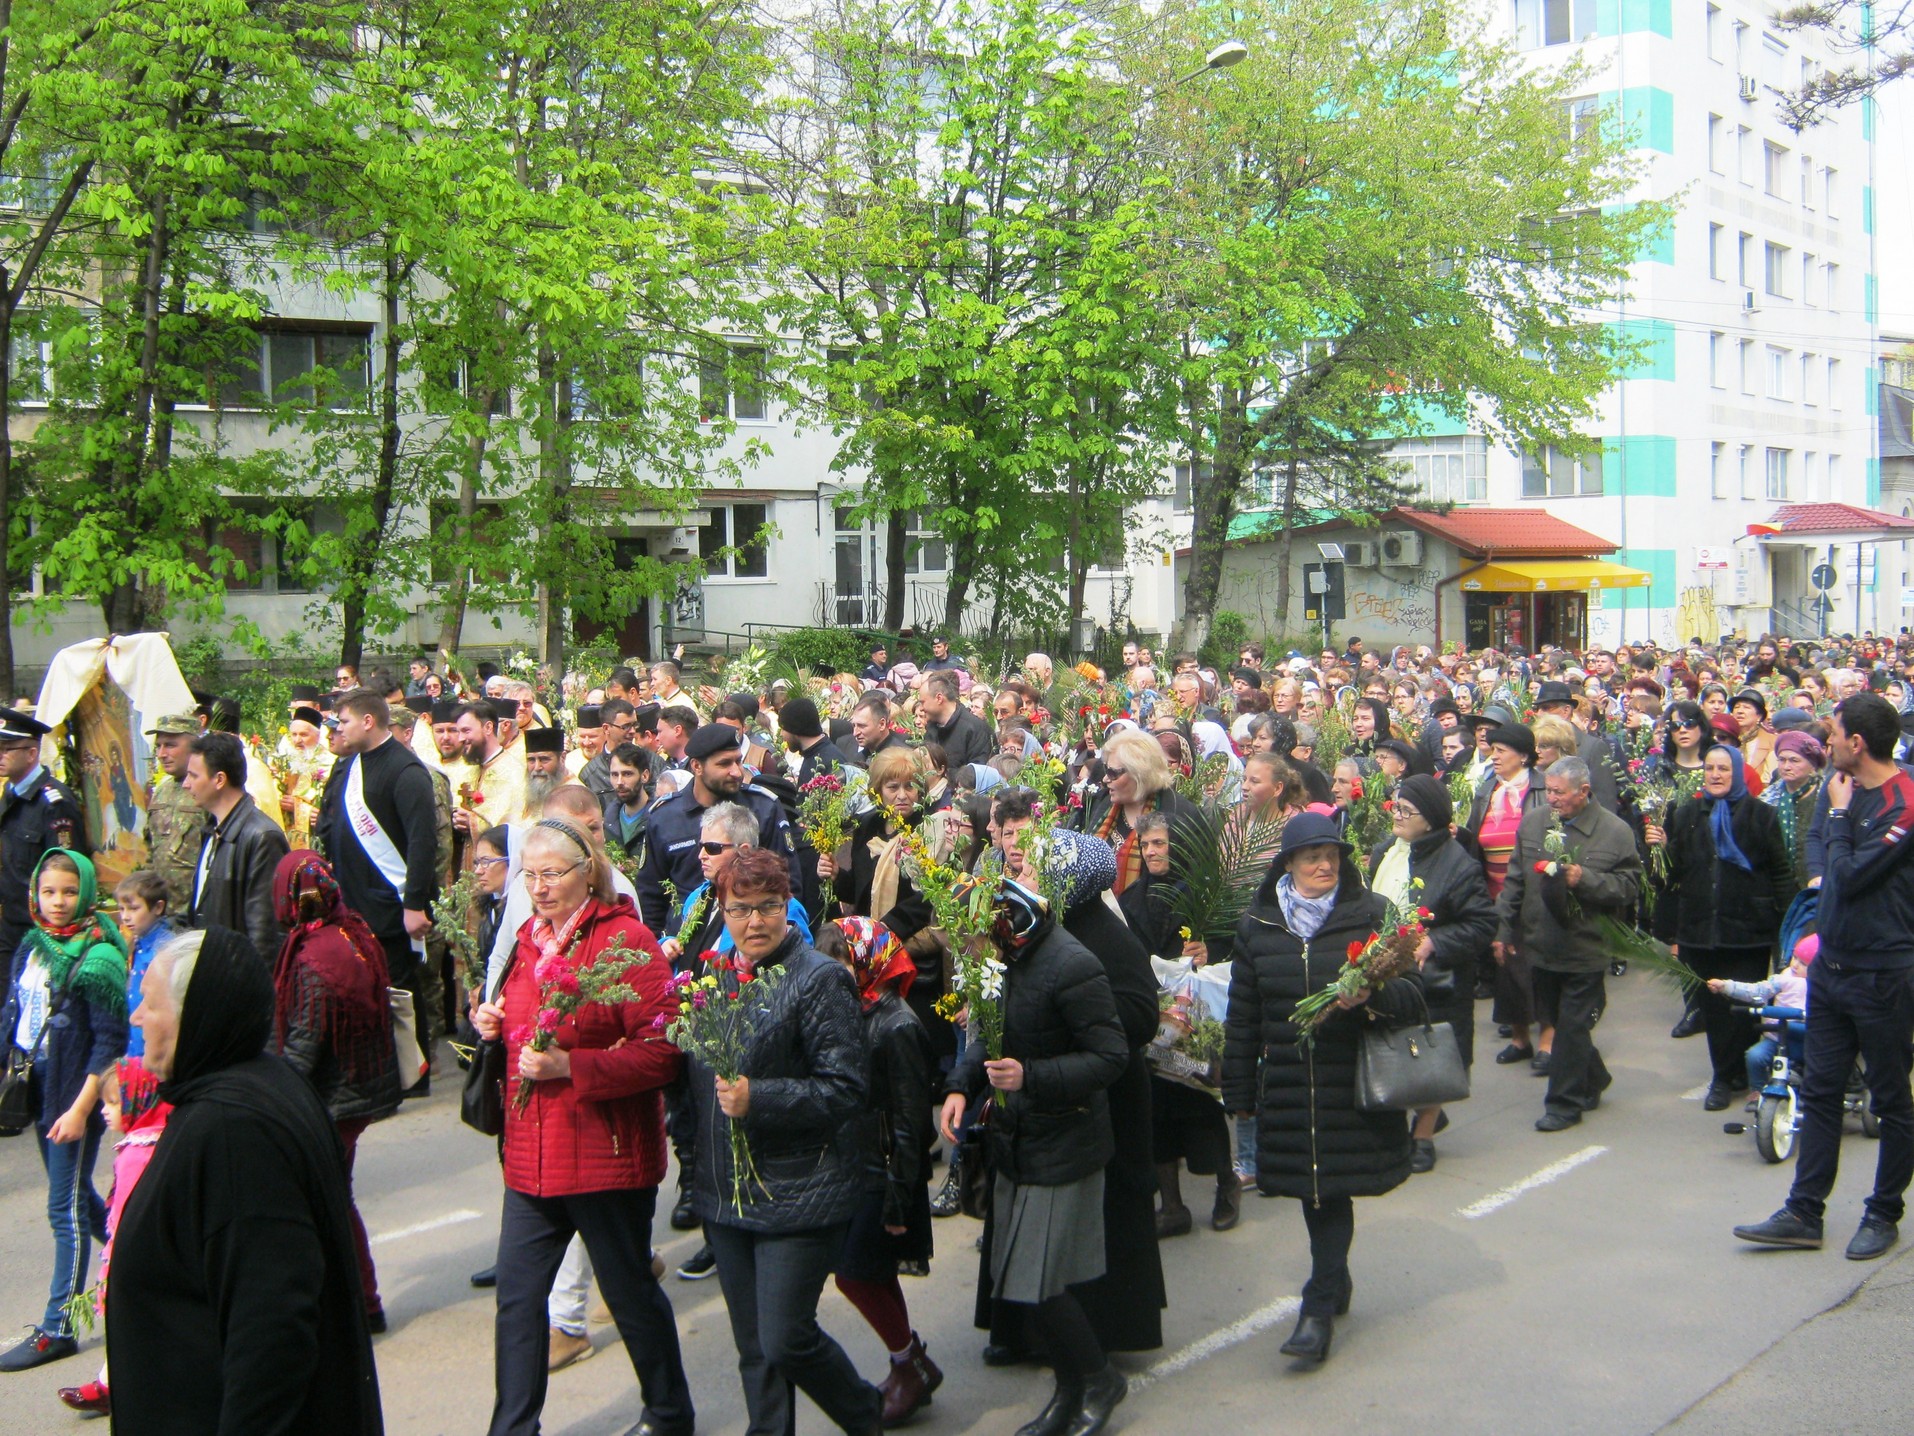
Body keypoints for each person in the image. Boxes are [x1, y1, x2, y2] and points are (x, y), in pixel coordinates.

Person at [106, 927, 383, 1434]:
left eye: (149, 1003)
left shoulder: (234, 1131)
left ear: (196, 1015)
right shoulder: (260, 1085)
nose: (136, 1018)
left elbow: (271, 1331)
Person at [471, 818, 694, 1436]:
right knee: (518, 1302)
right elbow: (522, 1028)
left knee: (628, 1296)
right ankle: (513, 1427)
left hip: (604, 1153)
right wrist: (494, 1024)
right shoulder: (524, 939)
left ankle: (671, 1414)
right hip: (531, 1156)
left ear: (586, 872)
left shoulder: (625, 940)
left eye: (551, 874)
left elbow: (664, 1048)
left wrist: (574, 1066)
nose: (538, 888)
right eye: (530, 875)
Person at [687, 848, 883, 1436]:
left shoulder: (819, 981)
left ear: (787, 907)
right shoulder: (713, 975)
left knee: (785, 1338)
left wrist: (761, 1098)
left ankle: (862, 1412)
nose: (754, 922)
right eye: (740, 909)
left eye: (768, 907)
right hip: (728, 1192)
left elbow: (846, 1089)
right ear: (720, 910)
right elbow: (693, 1084)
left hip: (802, 1187)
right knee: (754, 1347)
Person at [1221, 811, 1419, 1367]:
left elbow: (1414, 997)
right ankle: (1335, 1276)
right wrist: (1239, 1092)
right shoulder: (1258, 926)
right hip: (1287, 1079)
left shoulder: (1372, 915)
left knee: (1331, 1189)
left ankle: (1317, 1305)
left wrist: (1372, 997)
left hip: (1348, 1080)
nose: (1325, 864)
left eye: (1332, 855)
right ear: (1288, 863)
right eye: (1312, 856)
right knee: (1313, 1190)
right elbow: (1244, 1015)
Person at [941, 877, 1130, 1436]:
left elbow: (1111, 1056)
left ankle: (1097, 1379)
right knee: (1019, 1278)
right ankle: (1069, 1391)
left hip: (1065, 1139)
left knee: (1038, 1280)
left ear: (1009, 923)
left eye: (980, 935)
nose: (976, 949)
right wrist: (959, 1084)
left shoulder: (1071, 964)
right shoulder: (1009, 958)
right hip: (1018, 1138)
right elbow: (990, 1033)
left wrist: (1032, 1076)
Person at [1735, 692, 1914, 1261]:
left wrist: (1836, 826)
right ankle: (1804, 1211)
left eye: (1833, 732)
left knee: (1890, 1099)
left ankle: (1883, 1212)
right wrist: (1828, 856)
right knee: (1820, 1089)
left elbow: (1852, 874)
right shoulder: (1843, 790)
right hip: (1831, 969)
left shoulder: (1903, 800)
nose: (1826, 740)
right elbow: (1822, 855)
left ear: (1857, 743)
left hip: (1885, 973)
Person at [0, 851, 128, 1374]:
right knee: (76, 1198)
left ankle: (60, 1328)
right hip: (39, 1091)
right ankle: (147, 1261)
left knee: (64, 1209)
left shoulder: (99, 957)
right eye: (49, 892)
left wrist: (80, 1109)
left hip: (73, 1101)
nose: (57, 903)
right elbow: (16, 1018)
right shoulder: (31, 946)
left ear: (88, 893)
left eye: (69, 892)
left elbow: (110, 1043)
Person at [813, 918, 943, 1426]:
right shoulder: (856, 1011)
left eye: (842, 964)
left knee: (854, 1275)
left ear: (867, 960)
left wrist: (898, 1195)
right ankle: (909, 1361)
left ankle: (908, 1363)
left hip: (886, 1172)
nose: (835, 976)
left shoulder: (898, 1025)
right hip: (855, 1164)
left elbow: (913, 1122)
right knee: (871, 1272)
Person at [270, 850, 403, 1333]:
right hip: (360, 1089)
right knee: (334, 1198)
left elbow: (303, 1045)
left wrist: (273, 1097)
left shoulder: (313, 958)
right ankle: (358, 1303)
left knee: (326, 1203)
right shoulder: (355, 934)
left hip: (333, 1100)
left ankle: (357, 1305)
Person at [1497, 758, 1642, 1132]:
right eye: (1549, 791)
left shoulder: (1614, 832)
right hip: (1541, 945)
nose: (1552, 800)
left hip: (1586, 947)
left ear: (1585, 792)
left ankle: (1563, 1104)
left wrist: (1587, 879)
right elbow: (1515, 879)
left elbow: (1629, 887)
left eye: (1560, 793)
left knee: (1572, 1026)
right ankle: (1593, 1077)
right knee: (1561, 1020)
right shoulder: (1534, 823)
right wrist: (1501, 930)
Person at [1648, 744, 1794, 1110]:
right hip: (1700, 929)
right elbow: (1673, 874)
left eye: (1724, 769)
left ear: (1738, 772)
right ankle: (1722, 1077)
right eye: (1710, 768)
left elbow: (1779, 872)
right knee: (1714, 1007)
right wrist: (1660, 851)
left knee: (1743, 1006)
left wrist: (1791, 925)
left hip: (1747, 930)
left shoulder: (1761, 815)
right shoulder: (1686, 815)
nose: (1715, 775)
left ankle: (1742, 1072)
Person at [1367, 774, 1495, 1172]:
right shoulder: (1387, 850)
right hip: (1384, 968)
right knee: (1391, 1048)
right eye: (1396, 806)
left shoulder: (1458, 865)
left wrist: (1435, 941)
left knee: (1434, 1051)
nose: (1397, 815)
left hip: (1435, 978)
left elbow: (1482, 923)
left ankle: (1423, 1134)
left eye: (1407, 810)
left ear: (1432, 818)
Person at [319, 689, 441, 1087]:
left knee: (399, 991)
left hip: (391, 903)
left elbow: (423, 841)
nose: (339, 729)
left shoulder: (406, 771)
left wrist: (415, 903)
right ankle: (380, 1071)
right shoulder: (350, 766)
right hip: (352, 900)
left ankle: (412, 1073)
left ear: (368, 721)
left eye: (345, 721)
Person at [634, 723, 800, 935]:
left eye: (738, 761)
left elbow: (789, 883)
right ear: (697, 766)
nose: (736, 771)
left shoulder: (764, 809)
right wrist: (660, 946)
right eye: (724, 764)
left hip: (752, 937)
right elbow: (651, 894)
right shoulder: (665, 817)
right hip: (685, 944)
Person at [1464, 722, 1548, 1067]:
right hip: (1496, 894)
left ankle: (1548, 1040)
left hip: (1537, 894)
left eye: (1502, 751)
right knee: (1506, 967)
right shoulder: (1487, 791)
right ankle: (1519, 1038)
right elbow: (1474, 841)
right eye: (1492, 750)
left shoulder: (1542, 789)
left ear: (1524, 756)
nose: (1493, 756)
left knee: (1539, 967)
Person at [183, 730, 291, 963]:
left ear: (219, 779)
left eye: (193, 775)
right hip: (213, 970)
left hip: (239, 982)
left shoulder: (262, 837)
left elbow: (266, 934)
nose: (185, 784)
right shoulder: (213, 830)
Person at [0, 708, 88, 962]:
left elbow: (69, 867)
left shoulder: (54, 803)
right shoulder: (11, 793)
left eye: (7, 749)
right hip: (10, 925)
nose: (0, 755)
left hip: (42, 929)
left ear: (31, 753)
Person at [1080, 726, 1202, 894]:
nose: (1105, 778)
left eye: (1113, 772)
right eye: (1106, 769)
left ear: (1139, 773)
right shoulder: (1102, 803)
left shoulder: (1181, 815)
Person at [1710, 933, 1815, 1096]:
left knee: (1820, 1068)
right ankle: (1757, 1092)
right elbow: (1756, 991)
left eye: (1803, 963)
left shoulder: (1822, 986)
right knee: (1754, 1056)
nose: (1795, 965)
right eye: (1794, 957)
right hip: (1777, 1036)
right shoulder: (1783, 979)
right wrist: (1726, 986)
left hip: (1807, 1040)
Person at [141, 713, 203, 913]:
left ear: (194, 747)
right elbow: (151, 848)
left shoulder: (208, 790)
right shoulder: (162, 791)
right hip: (162, 910)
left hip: (194, 910)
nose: (161, 753)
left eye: (170, 745)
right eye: (158, 746)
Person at [1761, 730, 1826, 889]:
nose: (1786, 767)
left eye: (1794, 760)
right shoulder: (1766, 800)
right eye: (1781, 760)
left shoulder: (1826, 797)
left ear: (1812, 765)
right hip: (1777, 887)